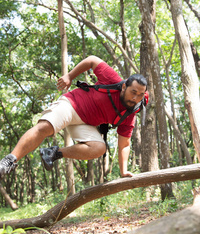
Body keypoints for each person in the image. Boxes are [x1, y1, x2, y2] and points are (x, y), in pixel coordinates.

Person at [0, 55, 148, 179]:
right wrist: (69, 76)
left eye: (140, 95)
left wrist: (123, 171)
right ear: (124, 87)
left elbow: (124, 145)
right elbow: (92, 60)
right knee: (46, 126)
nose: (135, 98)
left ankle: (53, 153)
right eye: (133, 92)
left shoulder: (128, 115)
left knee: (99, 148)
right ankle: (10, 160)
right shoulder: (112, 79)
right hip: (72, 105)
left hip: (86, 124)